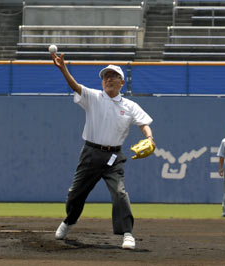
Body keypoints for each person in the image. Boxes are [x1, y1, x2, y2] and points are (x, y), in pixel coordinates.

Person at [51, 52, 155, 250]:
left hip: (114, 157)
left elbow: (144, 123)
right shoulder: (94, 97)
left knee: (119, 193)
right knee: (75, 195)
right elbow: (75, 86)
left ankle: (127, 233)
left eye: (112, 76)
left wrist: (149, 138)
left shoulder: (130, 106)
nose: (107, 79)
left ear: (121, 82)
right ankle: (69, 221)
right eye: (105, 76)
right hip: (91, 154)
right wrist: (63, 69)